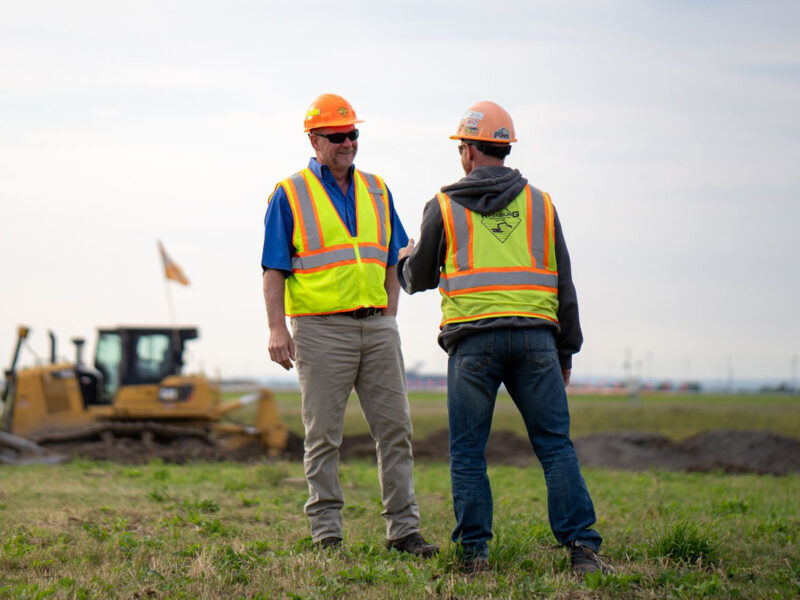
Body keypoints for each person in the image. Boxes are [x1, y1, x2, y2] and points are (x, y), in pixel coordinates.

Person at [397, 101, 611, 574]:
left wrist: (404, 260)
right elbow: (563, 282)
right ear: (505, 148)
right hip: (536, 343)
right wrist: (566, 350)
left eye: (462, 148)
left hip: (472, 345)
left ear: (471, 151)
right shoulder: (541, 203)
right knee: (555, 446)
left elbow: (420, 278)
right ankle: (583, 551)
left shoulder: (444, 204)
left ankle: (475, 558)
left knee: (468, 453)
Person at [261, 93, 437, 557]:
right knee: (323, 436)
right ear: (314, 139)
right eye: (337, 136)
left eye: (353, 134)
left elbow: (394, 257)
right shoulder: (290, 193)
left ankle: (404, 531)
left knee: (396, 431)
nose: (348, 143)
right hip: (321, 332)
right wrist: (277, 330)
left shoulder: (378, 189)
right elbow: (273, 268)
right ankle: (327, 534)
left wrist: (390, 312)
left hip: (377, 328)